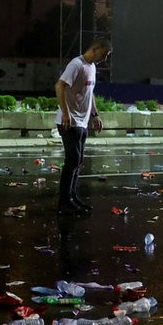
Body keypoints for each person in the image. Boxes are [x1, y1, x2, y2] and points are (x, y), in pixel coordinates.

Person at [55, 38, 112, 216]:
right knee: (72, 160)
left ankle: (72, 197)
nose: (104, 59)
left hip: (82, 121)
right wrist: (65, 112)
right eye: (104, 54)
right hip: (69, 121)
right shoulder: (76, 64)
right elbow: (59, 86)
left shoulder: (92, 67)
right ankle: (64, 202)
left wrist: (95, 114)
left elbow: (90, 92)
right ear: (95, 49)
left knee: (78, 162)